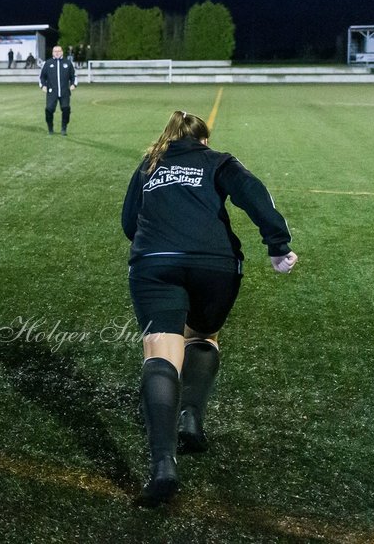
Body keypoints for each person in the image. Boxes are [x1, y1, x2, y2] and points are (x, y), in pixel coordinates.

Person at [121, 110, 297, 507]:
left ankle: (163, 465)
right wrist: (277, 244)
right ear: (203, 140)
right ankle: (190, 416)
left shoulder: (148, 166)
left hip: (155, 261)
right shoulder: (218, 160)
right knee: (202, 335)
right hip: (214, 264)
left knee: (161, 352)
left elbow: (129, 222)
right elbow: (253, 192)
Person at [39, 45, 77, 135]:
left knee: (66, 108)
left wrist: (73, 84)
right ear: (52, 53)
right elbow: (42, 77)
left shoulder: (68, 63)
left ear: (62, 52)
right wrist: (43, 86)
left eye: (58, 51)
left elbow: (73, 76)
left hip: (64, 92)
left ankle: (64, 128)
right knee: (49, 109)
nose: (57, 53)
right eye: (55, 51)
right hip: (52, 92)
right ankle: (50, 128)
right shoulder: (47, 63)